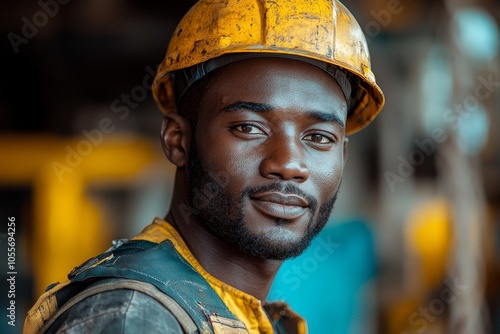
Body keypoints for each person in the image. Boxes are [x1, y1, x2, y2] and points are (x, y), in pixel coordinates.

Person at [24, 0, 384, 333]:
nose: (289, 164)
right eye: (248, 128)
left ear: (344, 157)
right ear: (178, 140)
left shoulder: (241, 316)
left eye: (320, 137)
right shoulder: (131, 318)